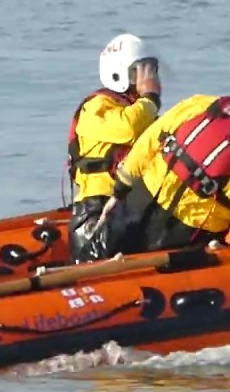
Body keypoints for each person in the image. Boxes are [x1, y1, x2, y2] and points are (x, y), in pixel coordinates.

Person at [100, 68, 230, 253]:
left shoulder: (200, 104)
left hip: (137, 202)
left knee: (98, 252)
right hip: (181, 236)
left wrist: (119, 191)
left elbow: (148, 142)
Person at [65, 33, 163, 262]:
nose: (147, 80)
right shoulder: (96, 108)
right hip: (96, 216)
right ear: (119, 73)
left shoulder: (142, 114)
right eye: (139, 72)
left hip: (128, 209)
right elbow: (128, 127)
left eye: (151, 71)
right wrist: (150, 98)